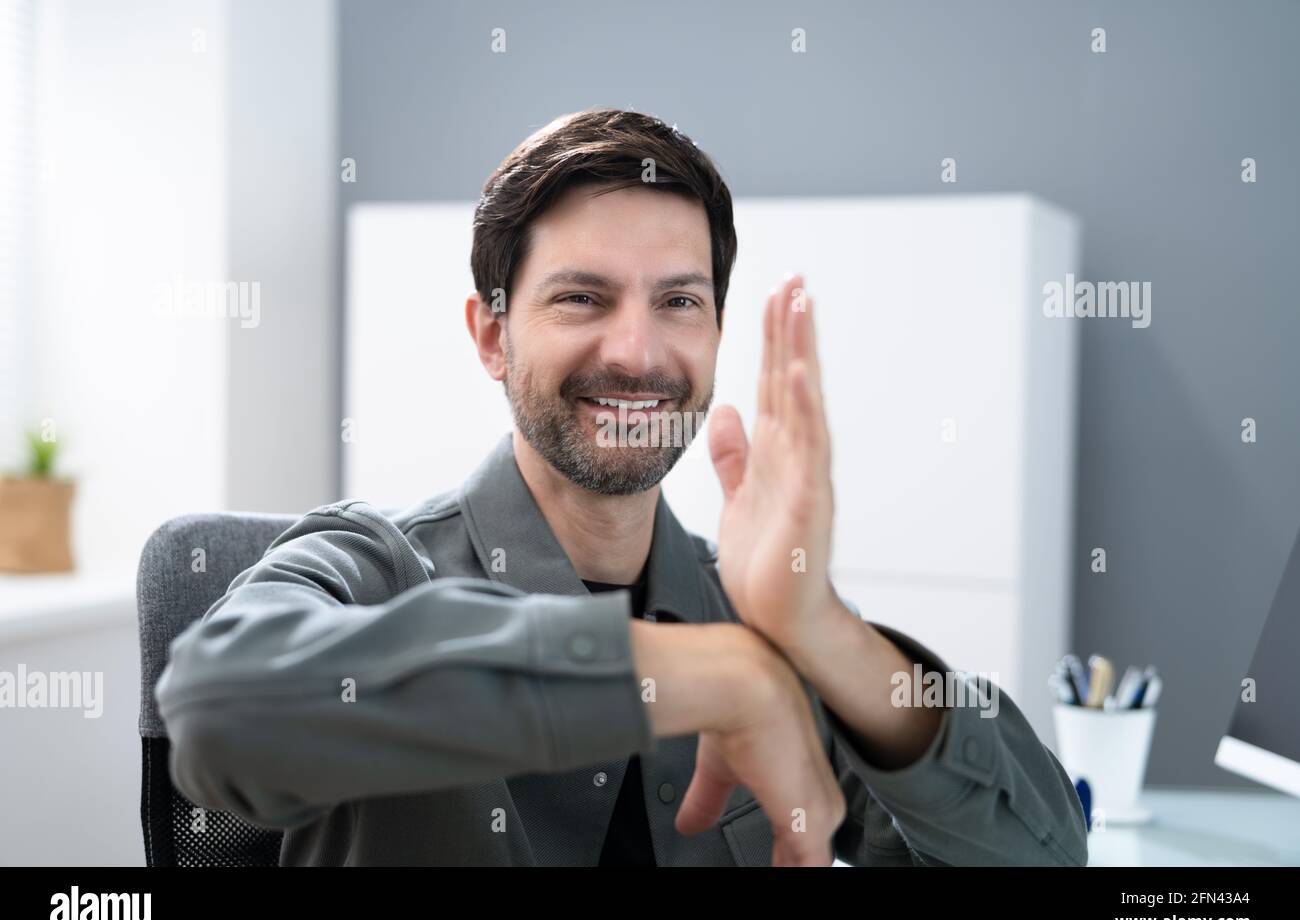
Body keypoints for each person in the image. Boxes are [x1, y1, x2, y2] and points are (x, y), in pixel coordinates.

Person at [155, 108, 1088, 866]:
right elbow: (218, 711)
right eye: (582, 298)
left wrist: (824, 637)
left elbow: (1043, 857)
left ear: (717, 334)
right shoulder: (371, 565)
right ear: (492, 336)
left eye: (679, 301)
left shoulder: (760, 616)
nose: (638, 353)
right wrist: (708, 680)